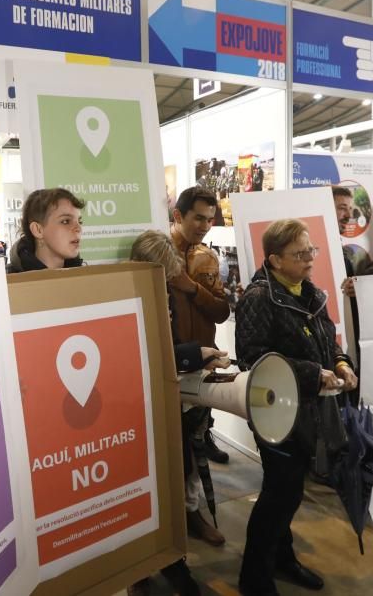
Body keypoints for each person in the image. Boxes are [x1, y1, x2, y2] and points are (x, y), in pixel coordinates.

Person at [235, 218, 357, 596]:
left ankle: (281, 559)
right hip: (276, 410)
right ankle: (254, 579)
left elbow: (328, 339)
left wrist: (340, 364)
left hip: (308, 409)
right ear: (274, 259)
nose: (309, 259)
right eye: (300, 253)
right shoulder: (258, 298)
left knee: (287, 492)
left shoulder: (309, 291)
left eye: (311, 251)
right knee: (279, 494)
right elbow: (252, 359)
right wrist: (312, 373)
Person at [127, 230, 225, 596]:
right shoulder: (127, 293)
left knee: (174, 476)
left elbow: (166, 341)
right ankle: (139, 569)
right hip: (138, 404)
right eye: (163, 271)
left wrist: (195, 354)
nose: (168, 278)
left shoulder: (163, 290)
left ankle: (170, 559)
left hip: (167, 398)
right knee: (142, 486)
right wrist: (193, 354)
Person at [170, 186, 231, 546]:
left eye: (210, 219)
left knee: (195, 441)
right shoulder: (157, 252)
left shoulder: (208, 258)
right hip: (170, 360)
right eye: (199, 218)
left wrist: (191, 287)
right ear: (178, 216)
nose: (206, 226)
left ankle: (193, 513)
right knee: (172, 446)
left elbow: (222, 311)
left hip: (202, 360)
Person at [6, 188, 84, 272]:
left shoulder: (86, 278)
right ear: (38, 230)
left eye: (79, 221)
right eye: (66, 221)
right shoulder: (6, 282)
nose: (78, 228)